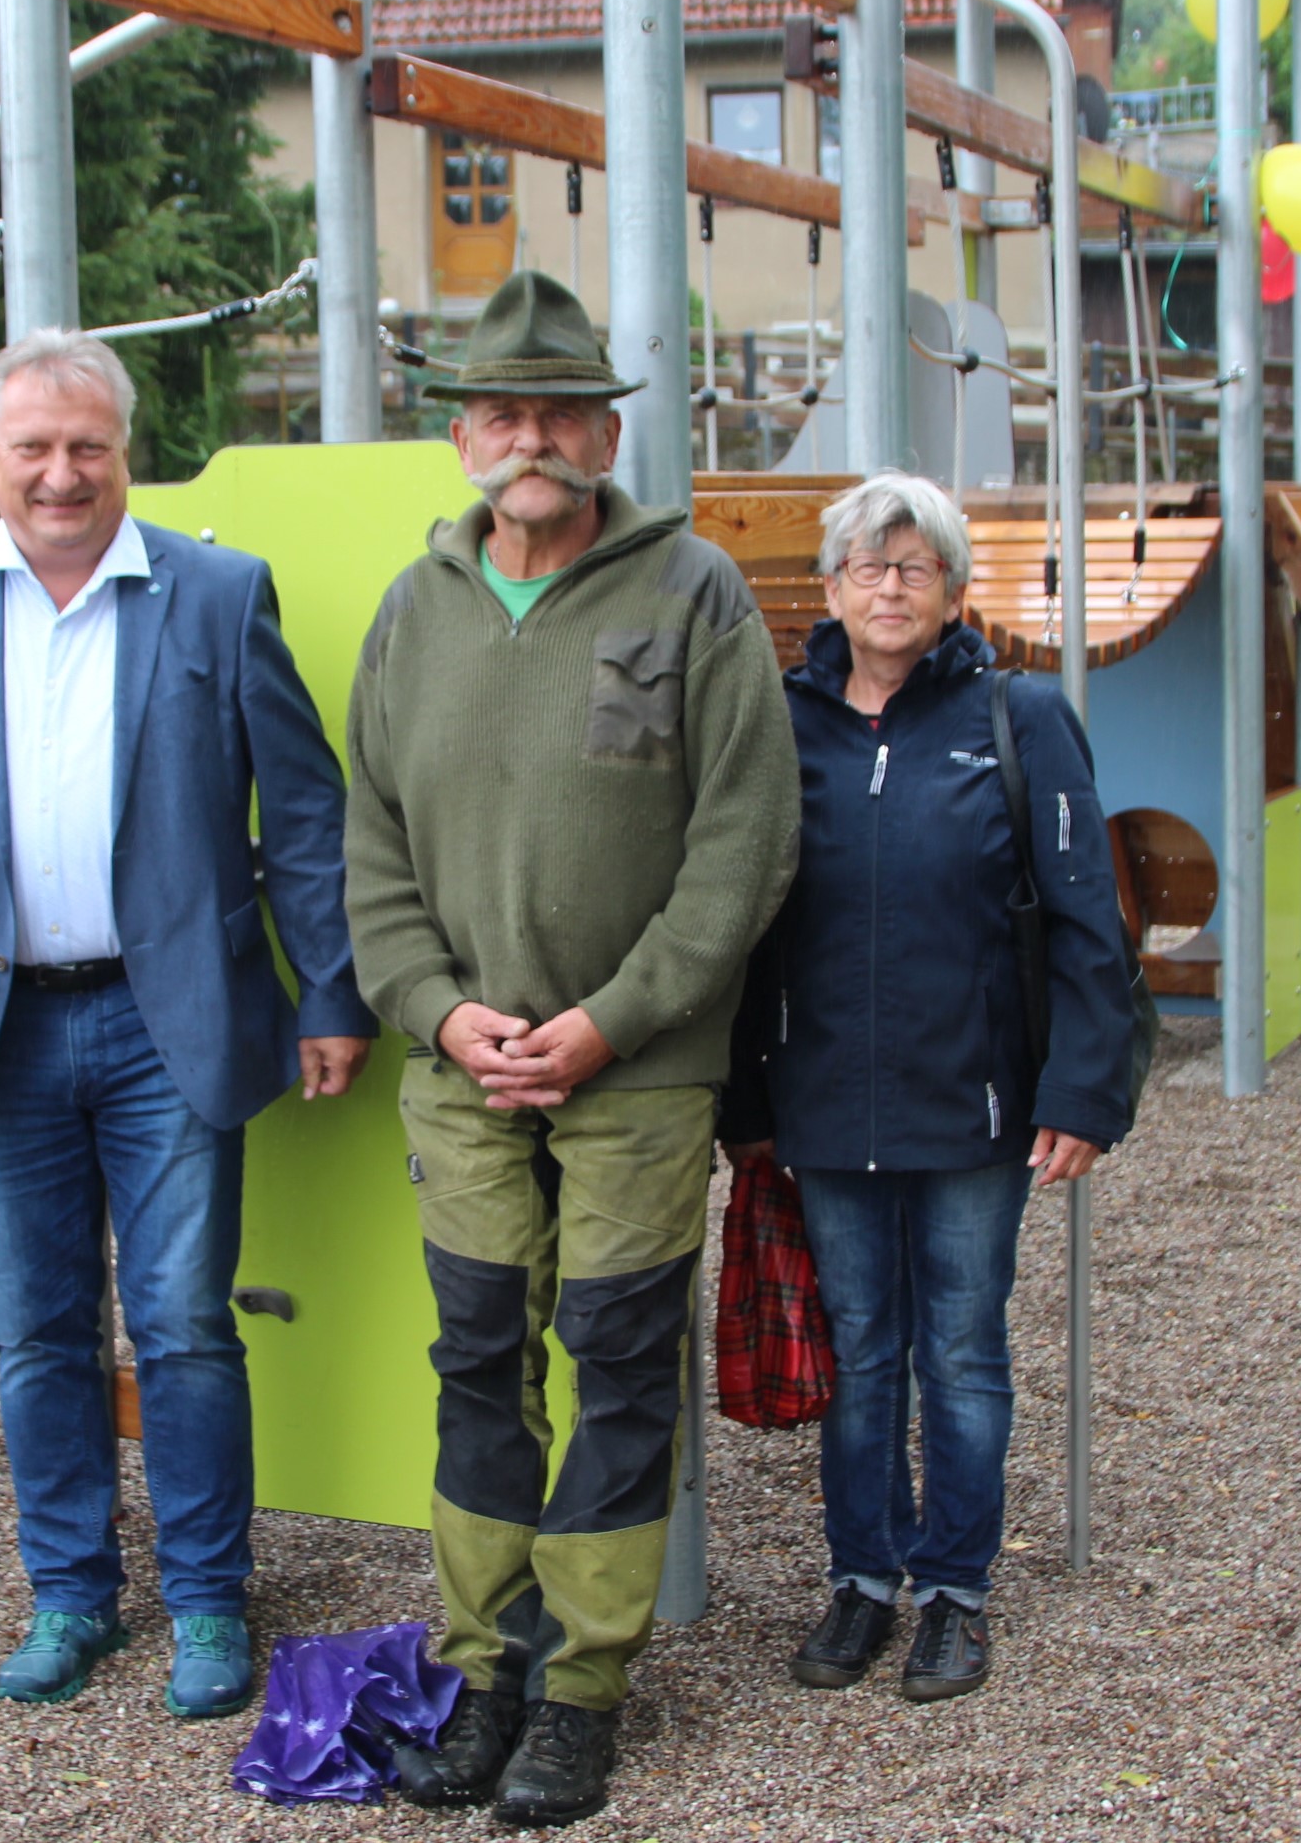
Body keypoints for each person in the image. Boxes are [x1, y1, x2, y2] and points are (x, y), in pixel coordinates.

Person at [0, 330, 373, 1721]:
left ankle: (206, 1599)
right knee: (38, 1333)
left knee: (182, 1325)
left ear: (125, 450)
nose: (61, 473)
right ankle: (69, 1593)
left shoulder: (218, 594)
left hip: (164, 1020)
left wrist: (333, 985)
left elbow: (299, 812)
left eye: (87, 446)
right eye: (32, 448)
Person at [342, 269, 801, 1828]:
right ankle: (485, 1672)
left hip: (642, 1070)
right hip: (464, 1070)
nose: (530, 439)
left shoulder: (694, 596)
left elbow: (745, 846)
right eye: (502, 413)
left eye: (560, 412)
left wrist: (608, 1021)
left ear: (606, 429)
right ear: (463, 435)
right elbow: (372, 846)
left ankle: (585, 1690)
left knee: (613, 1363)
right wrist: (437, 1006)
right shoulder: (416, 610)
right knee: (478, 1358)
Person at [725, 470, 1138, 1704]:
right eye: (867, 565)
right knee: (861, 1349)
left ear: (955, 591)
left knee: (959, 1348)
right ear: (833, 588)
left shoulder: (1018, 718)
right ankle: (861, 1576)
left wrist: (1081, 1090)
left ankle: (954, 1590)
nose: (890, 585)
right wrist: (742, 1102)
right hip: (826, 1102)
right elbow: (740, 922)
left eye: (914, 566)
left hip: (977, 1105)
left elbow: (1087, 924)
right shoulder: (782, 725)